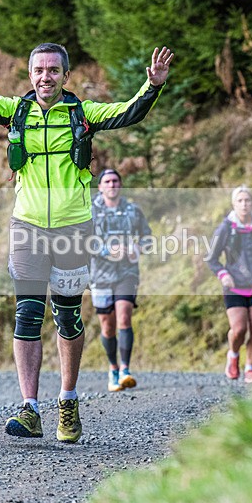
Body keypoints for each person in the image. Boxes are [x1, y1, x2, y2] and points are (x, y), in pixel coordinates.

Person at [0, 18, 172, 442]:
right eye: (39, 70)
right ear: (30, 74)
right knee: (27, 314)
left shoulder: (83, 113)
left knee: (68, 314)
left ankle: (68, 399)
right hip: (27, 226)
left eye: (53, 70)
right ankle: (29, 408)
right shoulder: (15, 111)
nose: (46, 77)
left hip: (74, 226)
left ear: (65, 75)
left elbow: (127, 113)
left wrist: (151, 86)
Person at [206, 186, 252, 384]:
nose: (244, 204)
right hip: (234, 286)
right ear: (233, 204)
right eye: (240, 201)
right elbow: (211, 258)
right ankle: (233, 355)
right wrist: (223, 274)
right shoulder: (225, 228)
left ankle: (250, 369)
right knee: (239, 329)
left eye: (247, 200)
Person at [90, 168, 152, 392]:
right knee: (107, 326)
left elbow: (147, 238)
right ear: (100, 187)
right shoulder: (90, 211)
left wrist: (137, 248)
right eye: (107, 181)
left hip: (127, 272)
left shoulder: (133, 210)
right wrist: (107, 250)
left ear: (120, 185)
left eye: (116, 181)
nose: (112, 185)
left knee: (124, 316)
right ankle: (113, 368)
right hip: (100, 273)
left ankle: (126, 370)